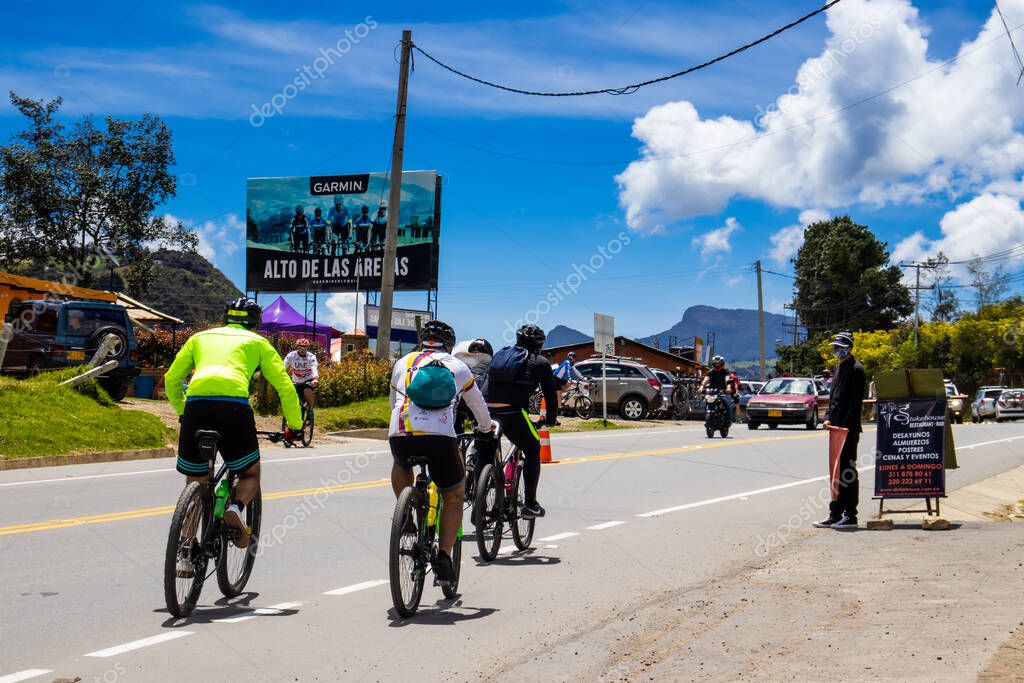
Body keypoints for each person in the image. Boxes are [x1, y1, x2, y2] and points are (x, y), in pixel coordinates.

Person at [165, 298, 303, 552]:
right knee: (250, 473)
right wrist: (295, 426)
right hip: (233, 408)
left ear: (224, 318)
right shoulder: (258, 342)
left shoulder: (199, 338)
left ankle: (184, 551)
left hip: (196, 406)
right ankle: (234, 508)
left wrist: (184, 411)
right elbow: (284, 386)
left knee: (196, 481)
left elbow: (172, 378)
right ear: (254, 324)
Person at [389, 321, 495, 583]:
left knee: (401, 463)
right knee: (454, 495)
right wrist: (485, 426)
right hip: (440, 438)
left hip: (403, 433)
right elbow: (477, 403)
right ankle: (444, 556)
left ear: (423, 341)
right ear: (449, 344)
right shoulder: (458, 366)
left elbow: (393, 402)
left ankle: (406, 513)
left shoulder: (402, 362)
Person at [480, 324, 559, 518]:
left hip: (487, 410)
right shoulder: (540, 362)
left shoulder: (501, 355)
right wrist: (550, 419)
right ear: (539, 345)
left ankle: (478, 508)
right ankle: (530, 504)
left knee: (485, 456)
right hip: (514, 413)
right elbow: (550, 394)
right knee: (532, 447)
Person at [815, 332, 866, 531]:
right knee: (835, 473)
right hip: (835, 429)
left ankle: (850, 515)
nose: (837, 350)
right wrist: (827, 418)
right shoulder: (839, 369)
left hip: (847, 430)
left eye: (841, 346)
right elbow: (833, 399)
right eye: (835, 346)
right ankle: (835, 513)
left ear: (849, 347)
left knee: (847, 471)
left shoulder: (856, 370)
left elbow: (854, 405)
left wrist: (842, 426)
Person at [454, 338, 493, 432]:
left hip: (459, 403)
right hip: (479, 404)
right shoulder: (491, 363)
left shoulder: (460, 361)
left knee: (461, 432)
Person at [284, 337, 319, 416]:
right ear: (297, 347)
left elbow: (314, 368)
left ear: (307, 348)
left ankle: (310, 409)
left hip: (308, 379)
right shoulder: (292, 355)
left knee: (307, 390)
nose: (302, 349)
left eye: (305, 347)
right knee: (290, 396)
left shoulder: (311, 357)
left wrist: (315, 379)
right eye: (300, 347)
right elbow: (283, 366)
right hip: (296, 380)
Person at [700, 355, 737, 425]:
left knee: (727, 404)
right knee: (705, 403)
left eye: (719, 364)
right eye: (715, 364)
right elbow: (706, 379)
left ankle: (728, 420)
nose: (717, 365)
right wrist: (701, 387)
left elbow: (727, 380)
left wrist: (728, 388)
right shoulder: (710, 372)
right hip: (712, 392)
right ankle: (707, 417)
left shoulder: (725, 371)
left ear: (722, 364)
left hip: (723, 391)